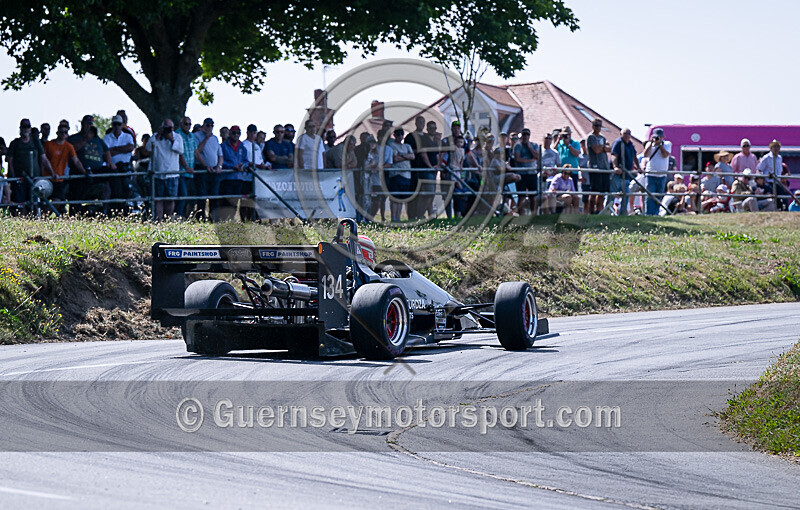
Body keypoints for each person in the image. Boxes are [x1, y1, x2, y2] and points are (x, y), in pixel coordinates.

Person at [68, 115, 115, 213]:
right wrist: (85, 139)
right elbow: (72, 150)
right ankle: (75, 212)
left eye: (91, 124)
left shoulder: (98, 140)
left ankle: (108, 209)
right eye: (87, 124)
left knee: (112, 175)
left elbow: (106, 151)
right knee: (77, 187)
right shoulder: (74, 138)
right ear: (82, 124)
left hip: (97, 169)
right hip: (80, 170)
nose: (89, 126)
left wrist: (109, 162)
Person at [7, 118, 53, 214]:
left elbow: (43, 158)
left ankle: (35, 222)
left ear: (30, 128)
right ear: (20, 128)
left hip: (34, 180)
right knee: (21, 204)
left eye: (28, 127)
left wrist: (52, 173)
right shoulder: (15, 143)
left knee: (35, 203)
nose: (26, 129)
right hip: (19, 180)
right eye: (24, 127)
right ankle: (23, 223)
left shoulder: (36, 142)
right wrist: (13, 177)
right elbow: (10, 161)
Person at [145, 118, 183, 220]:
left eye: (169, 128)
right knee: (158, 200)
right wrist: (158, 135)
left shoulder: (177, 137)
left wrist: (171, 139)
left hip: (172, 174)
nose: (167, 130)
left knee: (170, 200)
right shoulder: (155, 137)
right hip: (158, 174)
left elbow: (180, 150)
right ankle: (159, 221)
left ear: (173, 128)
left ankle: (168, 220)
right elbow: (148, 148)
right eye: (165, 127)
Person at [44, 124, 87, 213]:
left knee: (59, 201)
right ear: (57, 133)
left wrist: (84, 172)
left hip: (59, 179)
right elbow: (43, 161)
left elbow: (76, 161)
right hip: (47, 178)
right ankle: (41, 217)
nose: (63, 134)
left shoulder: (68, 146)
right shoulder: (48, 145)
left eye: (65, 132)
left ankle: (44, 216)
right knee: (43, 201)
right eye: (61, 132)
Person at [103, 114, 136, 214]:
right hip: (112, 168)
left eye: (119, 124)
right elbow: (105, 153)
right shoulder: (107, 137)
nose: (117, 126)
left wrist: (114, 150)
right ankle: (112, 210)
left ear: (122, 125)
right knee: (114, 189)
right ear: (112, 125)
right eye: (115, 124)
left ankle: (126, 210)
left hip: (125, 167)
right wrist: (122, 149)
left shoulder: (128, 136)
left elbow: (130, 147)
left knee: (128, 188)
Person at [193, 118, 222, 220]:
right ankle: (200, 218)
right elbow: (197, 151)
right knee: (202, 194)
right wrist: (206, 138)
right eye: (207, 125)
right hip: (202, 169)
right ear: (203, 126)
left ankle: (213, 218)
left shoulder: (215, 138)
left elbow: (220, 155)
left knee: (214, 195)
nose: (209, 127)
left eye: (211, 125)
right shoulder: (196, 136)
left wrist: (219, 166)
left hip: (214, 170)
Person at [218, 125, 249, 221]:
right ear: (230, 134)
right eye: (234, 133)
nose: (236, 135)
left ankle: (231, 219)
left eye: (238, 133)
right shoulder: (223, 146)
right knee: (226, 201)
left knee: (235, 201)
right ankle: (223, 219)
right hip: (227, 178)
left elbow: (246, 160)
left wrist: (243, 165)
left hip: (238, 178)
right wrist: (232, 167)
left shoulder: (242, 147)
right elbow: (220, 161)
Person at [642, 128, 672, 215]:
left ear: (663, 137)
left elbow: (665, 155)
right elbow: (645, 154)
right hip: (650, 173)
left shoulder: (667, 144)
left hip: (661, 175)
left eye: (660, 137)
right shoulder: (649, 144)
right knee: (650, 195)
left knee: (658, 195)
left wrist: (660, 145)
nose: (658, 139)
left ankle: (655, 213)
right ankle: (648, 214)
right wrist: (651, 143)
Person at [387, 128, 414, 222]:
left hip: (407, 175)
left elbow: (412, 156)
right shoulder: (391, 145)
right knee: (395, 198)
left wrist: (401, 155)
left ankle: (398, 218)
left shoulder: (407, 146)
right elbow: (395, 159)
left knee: (401, 198)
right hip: (396, 174)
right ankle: (393, 218)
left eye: (401, 134)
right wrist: (406, 156)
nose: (400, 136)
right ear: (394, 135)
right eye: (398, 134)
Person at [610, 128, 639, 216]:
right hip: (617, 175)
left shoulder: (630, 144)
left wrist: (639, 167)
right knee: (612, 195)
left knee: (626, 194)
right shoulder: (618, 142)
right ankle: (608, 212)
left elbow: (634, 156)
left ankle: (622, 214)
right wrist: (615, 167)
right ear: (620, 134)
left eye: (628, 134)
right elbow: (614, 155)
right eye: (625, 133)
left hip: (626, 175)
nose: (627, 135)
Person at [174, 116, 198, 218]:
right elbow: (179, 153)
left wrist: (206, 165)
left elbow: (195, 151)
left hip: (190, 171)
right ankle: (178, 216)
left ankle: (186, 216)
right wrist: (186, 167)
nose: (187, 126)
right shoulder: (177, 134)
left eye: (189, 124)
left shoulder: (192, 136)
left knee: (189, 196)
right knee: (182, 195)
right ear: (181, 124)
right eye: (185, 124)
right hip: (181, 171)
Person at [587, 119, 611, 213]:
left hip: (604, 167)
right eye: (596, 125)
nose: (598, 127)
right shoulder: (590, 137)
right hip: (595, 167)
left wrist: (602, 147)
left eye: (600, 125)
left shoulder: (603, 137)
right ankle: (591, 213)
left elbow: (609, 149)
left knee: (602, 193)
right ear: (592, 126)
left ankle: (599, 212)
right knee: (594, 192)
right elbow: (596, 150)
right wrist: (604, 147)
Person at [512, 128, 539, 215]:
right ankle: (521, 216)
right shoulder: (517, 146)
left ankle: (533, 215)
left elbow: (537, 156)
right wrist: (530, 161)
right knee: (521, 196)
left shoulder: (534, 145)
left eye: (527, 135)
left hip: (532, 174)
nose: (525, 136)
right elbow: (517, 158)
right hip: (521, 174)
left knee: (533, 196)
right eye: (524, 134)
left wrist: (529, 147)